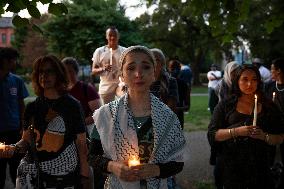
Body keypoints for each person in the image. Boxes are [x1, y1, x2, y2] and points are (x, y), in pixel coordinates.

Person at [88, 45, 186, 189]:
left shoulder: (168, 117)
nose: (138, 73)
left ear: (154, 73)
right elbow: (92, 156)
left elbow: (178, 162)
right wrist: (112, 166)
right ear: (121, 75)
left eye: (146, 67)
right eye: (131, 68)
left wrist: (156, 169)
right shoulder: (106, 115)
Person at [0, 55, 90, 188]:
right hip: (34, 176)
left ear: (58, 74)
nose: (44, 75)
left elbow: (81, 143)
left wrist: (85, 174)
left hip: (65, 176)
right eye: (41, 72)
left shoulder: (72, 105)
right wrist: (13, 148)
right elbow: (25, 140)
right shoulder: (32, 107)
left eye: (49, 71)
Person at [208, 64, 284, 189]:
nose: (250, 84)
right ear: (237, 81)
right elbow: (212, 134)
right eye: (245, 79)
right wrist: (236, 131)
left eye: (254, 80)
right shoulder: (226, 105)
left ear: (259, 82)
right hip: (232, 167)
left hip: (261, 167)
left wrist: (264, 136)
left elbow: (281, 136)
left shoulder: (268, 106)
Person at [0, 47, 29, 189]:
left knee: (16, 168)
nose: (15, 63)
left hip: (14, 133)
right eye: (13, 60)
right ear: (5, 61)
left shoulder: (16, 81)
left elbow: (21, 105)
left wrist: (23, 127)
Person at [62, 57, 101, 136]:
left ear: (76, 71)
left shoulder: (86, 89)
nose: (67, 74)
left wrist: (77, 124)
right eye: (64, 72)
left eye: (70, 71)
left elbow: (98, 114)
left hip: (84, 132)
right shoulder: (60, 91)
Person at [91, 26, 126, 104]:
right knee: (107, 112)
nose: (112, 38)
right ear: (106, 36)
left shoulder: (124, 51)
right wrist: (103, 68)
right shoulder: (99, 51)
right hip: (105, 86)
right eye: (110, 35)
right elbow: (93, 71)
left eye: (115, 35)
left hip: (120, 83)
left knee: (124, 102)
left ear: (118, 36)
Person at [265, 58, 284, 189]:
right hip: (272, 126)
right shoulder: (269, 86)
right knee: (270, 154)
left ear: (279, 71)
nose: (270, 72)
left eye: (272, 69)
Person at [168, 59, 190, 129]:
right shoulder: (163, 83)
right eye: (173, 68)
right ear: (169, 69)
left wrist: (174, 108)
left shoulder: (184, 85)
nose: (175, 70)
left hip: (178, 119)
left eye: (177, 68)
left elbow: (187, 106)